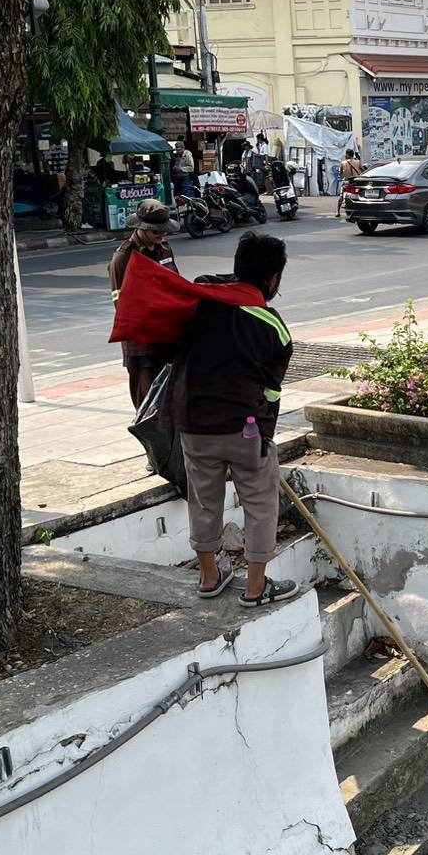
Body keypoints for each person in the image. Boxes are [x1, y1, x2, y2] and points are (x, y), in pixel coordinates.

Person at [171, 231, 298, 606]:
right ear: (274, 278)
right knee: (260, 505)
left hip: (193, 424)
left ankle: (209, 577)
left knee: (203, 500)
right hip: (245, 430)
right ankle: (255, 589)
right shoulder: (272, 326)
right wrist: (265, 437)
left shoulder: (199, 304)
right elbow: (272, 391)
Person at [109, 199, 181, 406]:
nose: (161, 234)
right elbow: (121, 304)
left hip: (167, 334)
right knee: (147, 402)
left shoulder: (164, 249)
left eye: (164, 230)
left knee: (172, 397)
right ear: (142, 228)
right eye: (156, 231)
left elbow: (175, 284)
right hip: (142, 341)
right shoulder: (123, 257)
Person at [336, 148, 365, 216]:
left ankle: (338, 212)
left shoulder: (343, 163)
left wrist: (343, 177)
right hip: (356, 182)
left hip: (347, 182)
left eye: (346, 154)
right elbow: (363, 171)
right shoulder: (358, 162)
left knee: (341, 196)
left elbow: (340, 173)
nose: (345, 155)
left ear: (347, 155)